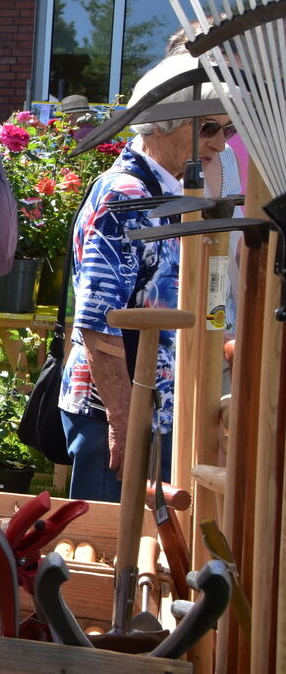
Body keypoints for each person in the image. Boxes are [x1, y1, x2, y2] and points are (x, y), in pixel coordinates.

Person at [59, 52, 230, 502]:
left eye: (227, 130)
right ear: (160, 122)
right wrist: (122, 420)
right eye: (209, 127)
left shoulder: (170, 190)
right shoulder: (127, 194)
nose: (221, 144)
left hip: (154, 407)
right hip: (116, 409)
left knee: (142, 549)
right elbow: (100, 322)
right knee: (105, 547)